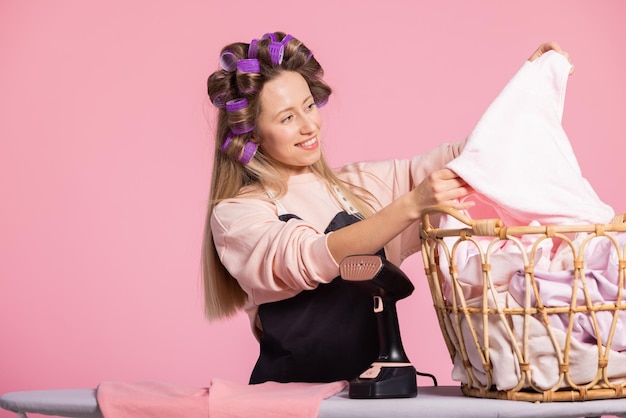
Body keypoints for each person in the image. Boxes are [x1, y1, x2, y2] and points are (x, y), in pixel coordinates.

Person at [201, 32, 571, 384]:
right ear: (251, 133)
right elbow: (309, 257)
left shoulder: (357, 187)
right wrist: (411, 205)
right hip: (290, 404)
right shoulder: (237, 215)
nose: (309, 124)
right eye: (287, 117)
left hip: (373, 398)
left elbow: (466, 156)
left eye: (309, 105)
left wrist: (528, 88)